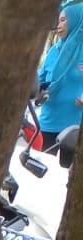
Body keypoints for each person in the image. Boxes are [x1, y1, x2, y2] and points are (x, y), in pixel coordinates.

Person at [40, 6, 83, 143]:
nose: (58, 26)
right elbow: (40, 79)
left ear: (76, 21)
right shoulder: (54, 50)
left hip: (74, 128)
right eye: (58, 21)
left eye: (63, 20)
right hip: (47, 124)